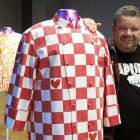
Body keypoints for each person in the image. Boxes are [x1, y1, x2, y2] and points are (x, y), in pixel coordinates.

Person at [4, 9, 120, 140]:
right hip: (51, 124)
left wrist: (110, 113)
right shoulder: (35, 34)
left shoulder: (98, 38)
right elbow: (22, 80)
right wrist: (16, 117)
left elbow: (107, 80)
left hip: (91, 121)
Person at [83, 5, 140, 140]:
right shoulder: (99, 52)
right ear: (113, 29)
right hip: (109, 136)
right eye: (122, 28)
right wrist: (80, 26)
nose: (128, 33)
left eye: (134, 29)